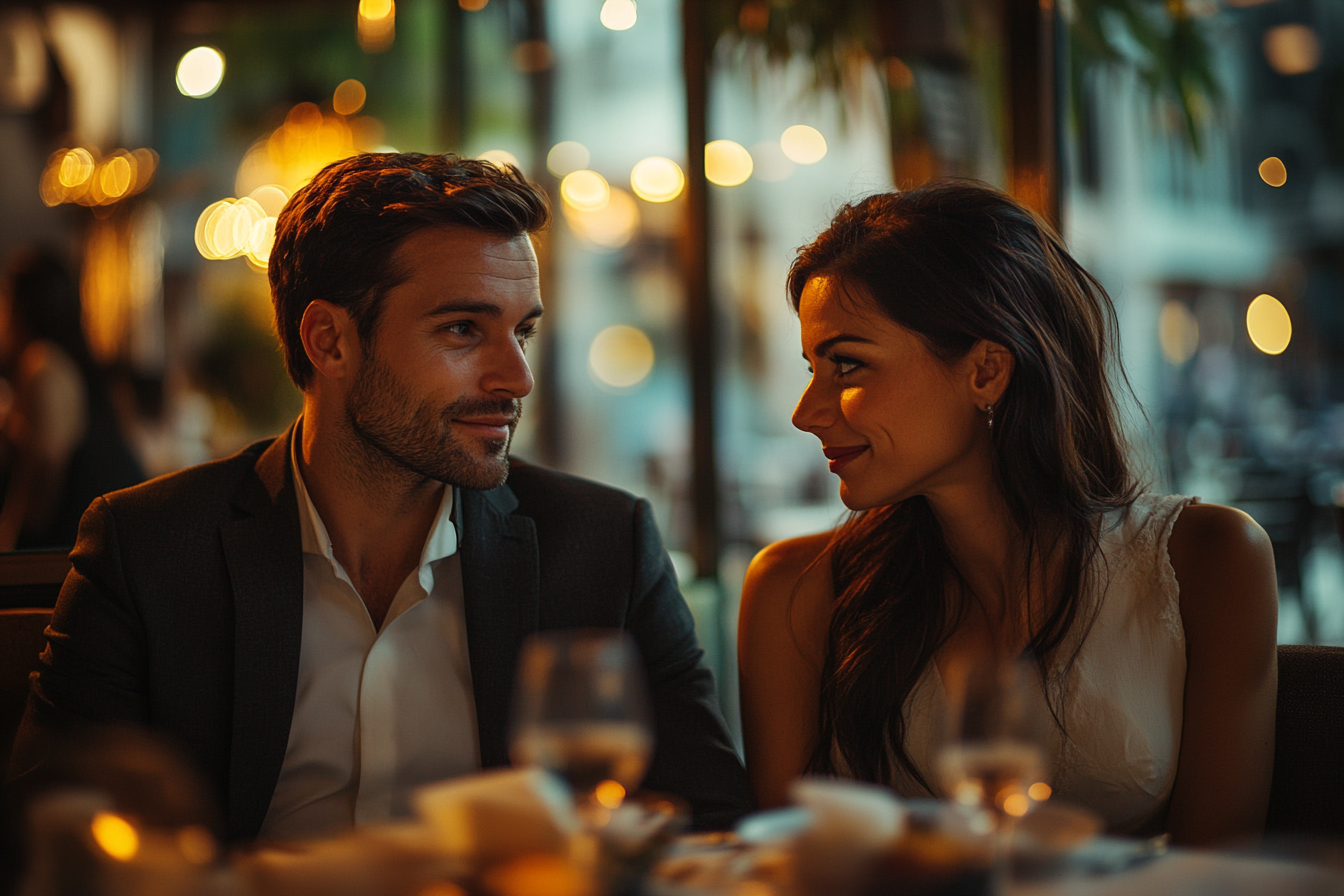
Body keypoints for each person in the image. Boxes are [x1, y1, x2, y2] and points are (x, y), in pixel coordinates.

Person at [10, 153, 752, 840]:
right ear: (329, 341)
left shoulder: (601, 544)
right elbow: (49, 837)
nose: (515, 377)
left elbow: (707, 823)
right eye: (464, 329)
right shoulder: (150, 549)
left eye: (521, 331)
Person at [738, 181, 1278, 846]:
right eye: (811, 367)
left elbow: (1220, 873)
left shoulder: (1208, 561)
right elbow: (792, 864)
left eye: (847, 366)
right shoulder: (797, 590)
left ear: (987, 372)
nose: (804, 412)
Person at [0, 249, 145, 550]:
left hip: (75, 545)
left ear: (20, 306)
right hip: (117, 532)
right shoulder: (85, 365)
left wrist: (15, 542)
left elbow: (47, 463)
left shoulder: (42, 363)